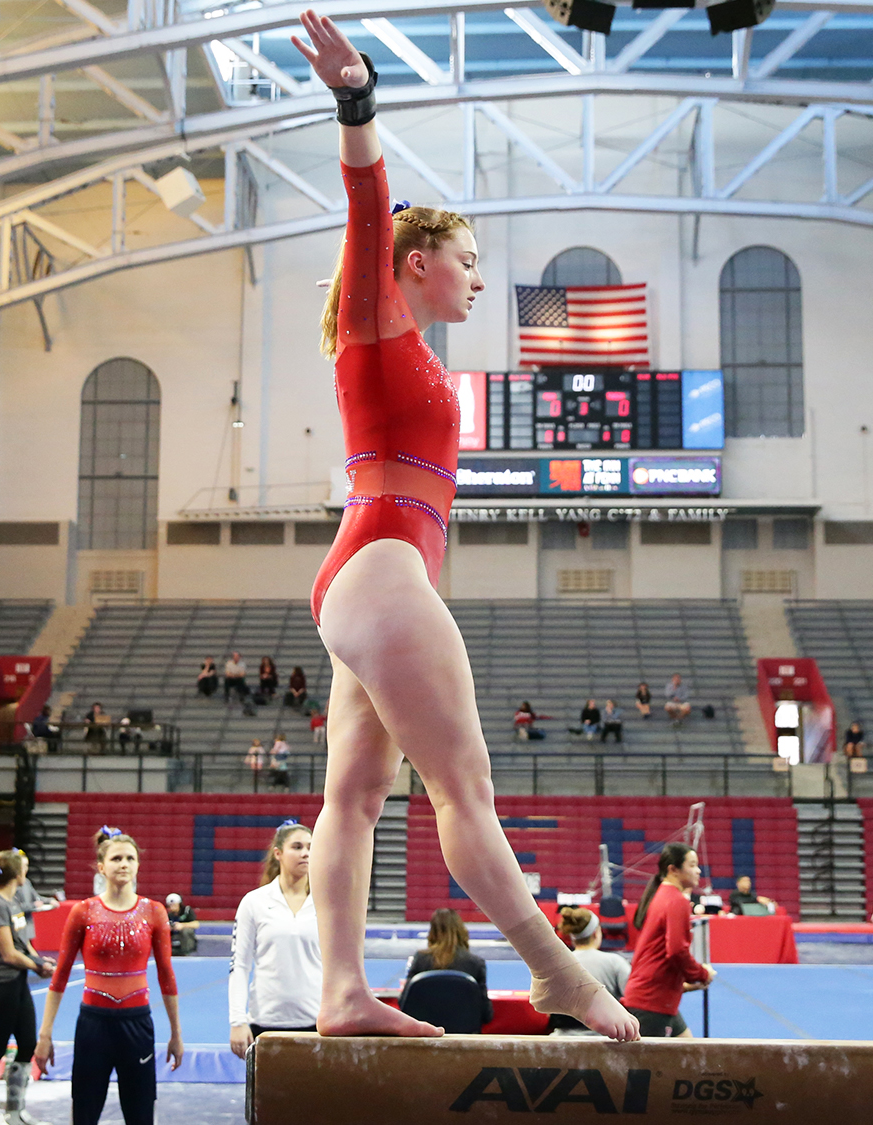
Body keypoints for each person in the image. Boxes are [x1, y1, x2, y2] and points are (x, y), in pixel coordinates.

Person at [291, 8, 634, 1045]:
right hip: (386, 567)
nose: (480, 279)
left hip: (369, 573)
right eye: (467, 258)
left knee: (352, 800)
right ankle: (560, 976)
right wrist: (357, 102)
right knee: (463, 792)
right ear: (413, 263)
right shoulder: (374, 322)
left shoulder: (415, 359)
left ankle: (343, 993)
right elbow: (367, 201)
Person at [35, 830, 183, 1125]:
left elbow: (166, 974)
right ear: (101, 867)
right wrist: (45, 1034)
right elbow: (60, 975)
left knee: (140, 1114)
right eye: (116, 858)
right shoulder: (83, 911)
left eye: (130, 858)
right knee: (85, 1112)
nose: (124, 864)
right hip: (94, 1024)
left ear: (138, 865)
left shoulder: (153, 912)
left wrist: (176, 1034)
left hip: (137, 1024)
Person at [0, 849, 55, 1125]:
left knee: (28, 1043)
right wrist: (36, 966)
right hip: (3, 984)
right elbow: (8, 954)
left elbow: (23, 943)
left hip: (18, 982)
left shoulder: (13, 902)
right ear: (16, 873)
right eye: (24, 868)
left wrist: (37, 960)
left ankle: (15, 1108)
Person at [230, 821, 321, 1057]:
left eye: (310, 847)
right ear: (278, 853)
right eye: (297, 846)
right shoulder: (255, 902)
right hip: (266, 1021)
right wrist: (237, 1020)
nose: (305, 853)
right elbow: (239, 965)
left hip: (317, 1021)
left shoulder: (325, 902)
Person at [624, 843, 713, 1038]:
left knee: (691, 1055)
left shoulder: (662, 895)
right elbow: (676, 950)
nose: (698, 871)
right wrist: (701, 973)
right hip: (651, 1001)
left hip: (660, 997)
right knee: (654, 1067)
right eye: (692, 865)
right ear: (673, 869)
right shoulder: (676, 900)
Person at [549, 906, 627, 1034]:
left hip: (562, 1037)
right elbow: (631, 997)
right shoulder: (614, 962)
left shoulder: (558, 963)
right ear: (596, 933)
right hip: (604, 1038)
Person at [166, 892, 200, 957]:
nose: (172, 907)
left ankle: (186, 951)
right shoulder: (168, 915)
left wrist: (182, 925)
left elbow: (196, 924)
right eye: (170, 905)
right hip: (174, 936)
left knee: (186, 931)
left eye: (174, 905)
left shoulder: (187, 911)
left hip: (185, 937)